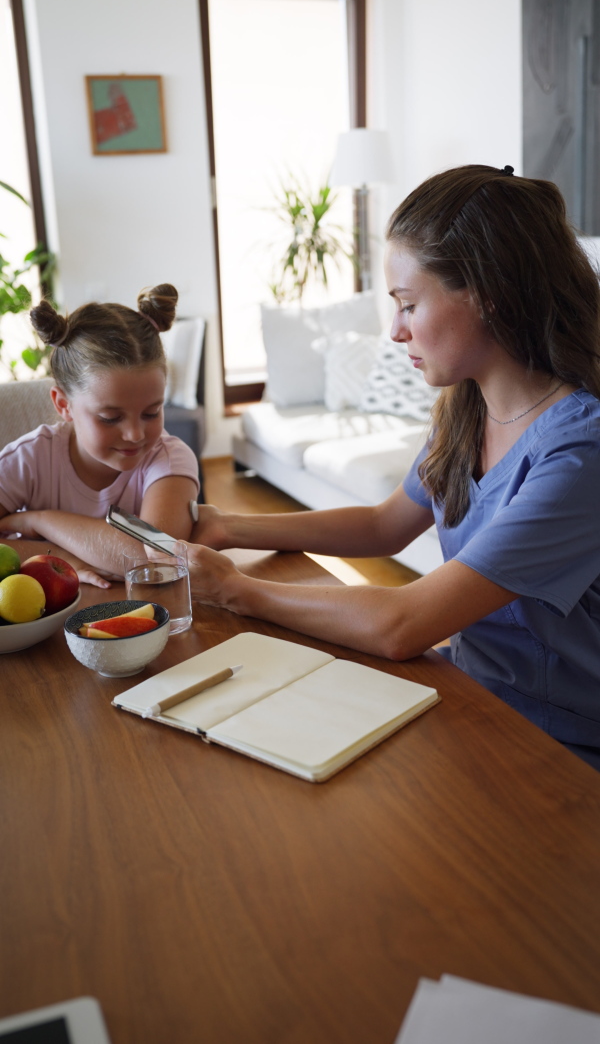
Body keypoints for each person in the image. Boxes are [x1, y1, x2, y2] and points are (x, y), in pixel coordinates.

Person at [186, 164, 600, 770]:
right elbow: (385, 525)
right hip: (468, 694)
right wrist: (230, 526)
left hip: (559, 741)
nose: (394, 330)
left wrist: (235, 589)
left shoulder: (579, 453)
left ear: (488, 294)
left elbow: (403, 624)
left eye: (408, 304)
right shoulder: (464, 408)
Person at [0, 284, 199, 586]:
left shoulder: (169, 459)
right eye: (111, 418)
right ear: (63, 404)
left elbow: (153, 561)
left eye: (151, 413)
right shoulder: (27, 459)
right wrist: (68, 559)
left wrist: (38, 520)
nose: (135, 434)